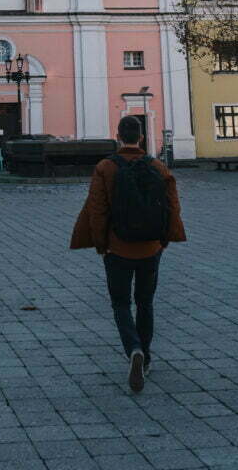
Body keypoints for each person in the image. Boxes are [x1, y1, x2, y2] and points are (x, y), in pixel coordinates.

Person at [70, 116, 186, 392]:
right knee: (145, 303)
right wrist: (165, 239)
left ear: (118, 135)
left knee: (121, 303)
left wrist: (100, 243)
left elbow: (97, 210)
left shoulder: (105, 168)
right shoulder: (158, 166)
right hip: (151, 247)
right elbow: (173, 206)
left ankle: (133, 348)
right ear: (141, 137)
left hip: (117, 247)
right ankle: (145, 358)